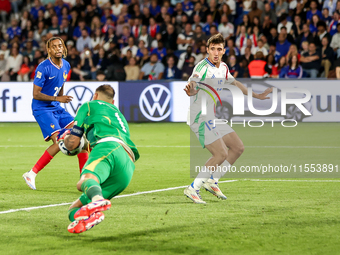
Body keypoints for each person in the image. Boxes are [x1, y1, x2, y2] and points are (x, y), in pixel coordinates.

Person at [183, 33, 272, 204]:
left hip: (211, 116)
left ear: (224, 51)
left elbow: (235, 83)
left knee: (238, 148)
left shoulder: (223, 67)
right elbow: (193, 84)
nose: (216, 52)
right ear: (207, 50)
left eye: (219, 49)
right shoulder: (201, 68)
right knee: (221, 153)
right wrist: (191, 90)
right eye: (213, 49)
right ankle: (193, 188)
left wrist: (257, 96)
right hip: (199, 117)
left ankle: (212, 181)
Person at [60, 84, 139, 234]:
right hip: (128, 164)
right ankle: (92, 217)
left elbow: (72, 144)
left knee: (83, 181)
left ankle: (97, 200)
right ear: (113, 102)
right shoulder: (119, 115)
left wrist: (64, 139)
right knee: (74, 209)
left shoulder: (89, 105)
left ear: (95, 95)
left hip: (108, 147)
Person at [22, 37, 88, 190]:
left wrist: (60, 101)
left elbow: (61, 82)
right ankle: (31, 173)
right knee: (60, 141)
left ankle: (84, 179)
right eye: (54, 47)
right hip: (42, 109)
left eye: (60, 46)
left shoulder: (66, 65)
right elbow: (36, 94)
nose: (58, 48)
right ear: (49, 50)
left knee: (80, 136)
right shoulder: (43, 68)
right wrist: (58, 98)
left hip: (57, 107)